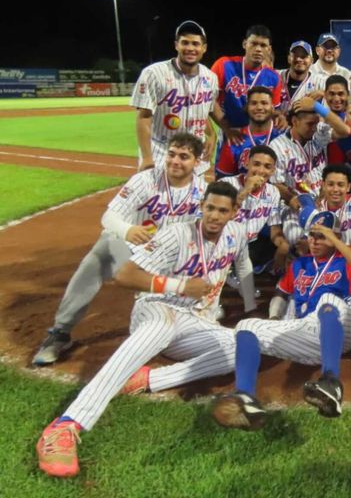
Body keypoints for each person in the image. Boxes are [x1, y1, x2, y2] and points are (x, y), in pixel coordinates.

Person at [36, 181, 254, 477]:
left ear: (233, 213)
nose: (215, 216)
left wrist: (250, 304)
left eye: (222, 211)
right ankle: (66, 425)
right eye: (210, 208)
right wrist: (179, 286)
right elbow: (125, 274)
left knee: (242, 346)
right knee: (161, 327)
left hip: (195, 320)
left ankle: (148, 379)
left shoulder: (237, 234)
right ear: (201, 206)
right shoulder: (177, 234)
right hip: (156, 306)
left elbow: (243, 264)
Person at [32, 133, 208, 366]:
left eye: (183, 157)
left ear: (197, 162)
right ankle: (60, 333)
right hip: (132, 245)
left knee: (183, 293)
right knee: (98, 257)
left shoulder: (203, 191)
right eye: (172, 154)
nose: (175, 161)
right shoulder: (145, 180)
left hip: (167, 257)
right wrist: (127, 230)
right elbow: (109, 217)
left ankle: (187, 325)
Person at [210, 210, 351, 425]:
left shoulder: (344, 260)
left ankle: (331, 382)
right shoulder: (300, 264)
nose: (314, 241)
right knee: (246, 326)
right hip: (310, 332)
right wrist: (274, 317)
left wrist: (335, 241)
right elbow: (281, 293)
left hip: (345, 327)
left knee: (327, 300)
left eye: (322, 236)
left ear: (335, 237)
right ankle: (245, 398)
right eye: (312, 235)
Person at [130, 20, 218, 174]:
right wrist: (147, 158)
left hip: (195, 156)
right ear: (176, 45)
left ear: (204, 48)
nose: (190, 48)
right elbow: (144, 117)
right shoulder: (153, 73)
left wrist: (211, 134)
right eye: (185, 43)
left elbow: (202, 112)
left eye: (195, 44)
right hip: (161, 153)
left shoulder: (210, 77)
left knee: (194, 191)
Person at [219, 145, 292, 272]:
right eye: (256, 164)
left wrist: (283, 245)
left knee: (287, 248)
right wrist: (245, 190)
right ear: (247, 164)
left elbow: (274, 229)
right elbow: (217, 218)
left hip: (249, 245)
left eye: (267, 167)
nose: (261, 170)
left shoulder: (273, 192)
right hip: (222, 244)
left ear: (273, 171)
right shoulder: (226, 184)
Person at [268, 96, 350, 199]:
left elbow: (345, 131)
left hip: (325, 198)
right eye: (310, 124)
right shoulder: (277, 146)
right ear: (295, 121)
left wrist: (317, 106)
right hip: (298, 204)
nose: (314, 128)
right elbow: (277, 184)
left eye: (316, 123)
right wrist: (302, 203)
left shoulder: (318, 133)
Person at [210, 24, 283, 133]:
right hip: (228, 132)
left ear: (269, 49)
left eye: (263, 45)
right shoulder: (224, 65)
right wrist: (226, 127)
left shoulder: (274, 77)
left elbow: (273, 111)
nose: (258, 49)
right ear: (244, 44)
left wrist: (280, 117)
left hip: (257, 134)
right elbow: (208, 98)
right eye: (253, 44)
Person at [302, 163, 351, 251]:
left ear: (348, 187)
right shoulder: (316, 210)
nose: (335, 189)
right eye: (330, 184)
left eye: (340, 185)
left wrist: (333, 246)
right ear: (323, 186)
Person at [215, 86, 283, 177]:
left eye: (264, 103)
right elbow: (223, 180)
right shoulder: (235, 140)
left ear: (272, 108)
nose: (259, 107)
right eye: (254, 103)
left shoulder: (282, 136)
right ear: (247, 108)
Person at [279, 40, 326, 113]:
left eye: (304, 56)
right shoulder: (276, 76)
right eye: (295, 55)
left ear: (312, 61)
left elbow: (340, 94)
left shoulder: (319, 81)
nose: (299, 59)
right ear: (289, 58)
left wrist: (324, 92)